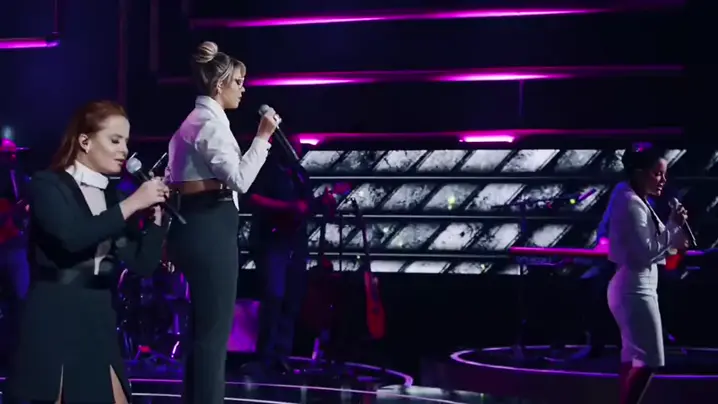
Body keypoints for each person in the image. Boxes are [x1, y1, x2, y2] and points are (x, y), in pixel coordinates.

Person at [4, 100, 170, 404]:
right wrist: (132, 203)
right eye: (115, 140)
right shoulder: (48, 185)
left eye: (126, 142)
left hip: (98, 316)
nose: (124, 151)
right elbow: (72, 237)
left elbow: (142, 263)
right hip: (55, 314)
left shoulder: (113, 197)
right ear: (85, 141)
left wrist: (157, 221)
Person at [165, 41, 279, 404]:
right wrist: (262, 137)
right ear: (219, 85)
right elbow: (240, 179)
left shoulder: (195, 122)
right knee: (213, 337)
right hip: (210, 229)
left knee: (204, 334)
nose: (243, 89)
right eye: (238, 82)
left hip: (199, 226)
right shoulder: (207, 124)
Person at [243, 134, 335, 378]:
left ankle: (281, 357)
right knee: (274, 296)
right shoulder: (266, 170)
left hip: (296, 245)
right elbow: (252, 198)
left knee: (292, 300)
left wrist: (323, 203)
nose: (297, 151)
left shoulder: (300, 174)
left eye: (298, 147)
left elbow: (307, 207)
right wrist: (288, 207)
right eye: (293, 146)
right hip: (271, 242)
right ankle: (264, 357)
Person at [606, 147, 689, 404]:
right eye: (657, 174)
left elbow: (658, 247)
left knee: (632, 358)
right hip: (635, 288)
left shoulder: (633, 198)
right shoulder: (631, 202)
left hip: (635, 286)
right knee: (650, 360)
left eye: (664, 174)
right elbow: (645, 252)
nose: (663, 180)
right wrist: (673, 226)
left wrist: (675, 237)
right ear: (639, 173)